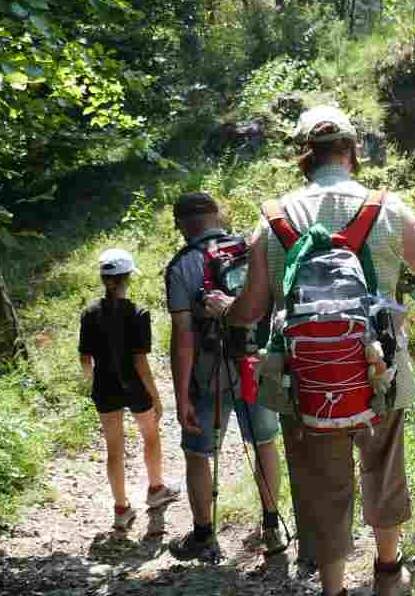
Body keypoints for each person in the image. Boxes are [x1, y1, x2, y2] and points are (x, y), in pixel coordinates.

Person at [222, 104, 415, 596]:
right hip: (382, 374)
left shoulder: (273, 219)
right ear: (351, 152)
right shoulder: (388, 210)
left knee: (319, 484)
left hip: (304, 381)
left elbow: (252, 308)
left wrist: (220, 308)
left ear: (302, 159)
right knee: (383, 467)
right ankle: (388, 579)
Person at [165, 191, 287, 562]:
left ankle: (204, 535)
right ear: (218, 215)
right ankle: (271, 527)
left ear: (181, 225)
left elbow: (183, 337)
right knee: (264, 442)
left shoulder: (182, 266)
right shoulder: (251, 249)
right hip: (256, 362)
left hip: (208, 374)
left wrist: (181, 394)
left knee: (198, 453)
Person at [78, 248, 177, 531]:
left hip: (105, 387)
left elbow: (85, 359)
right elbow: (140, 361)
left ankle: (121, 508)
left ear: (103, 278)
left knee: (114, 448)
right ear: (127, 279)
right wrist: (156, 396)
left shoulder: (89, 314)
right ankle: (156, 489)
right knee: (151, 437)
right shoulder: (138, 313)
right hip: (134, 385)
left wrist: (92, 383)